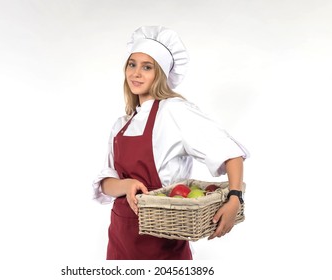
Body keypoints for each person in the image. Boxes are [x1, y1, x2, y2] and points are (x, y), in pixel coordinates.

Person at [92, 26, 249, 260]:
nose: (136, 73)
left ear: (160, 75)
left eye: (147, 67)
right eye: (132, 64)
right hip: (121, 239)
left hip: (164, 243)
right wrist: (126, 185)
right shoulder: (121, 124)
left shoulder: (174, 111)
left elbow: (229, 153)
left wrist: (235, 196)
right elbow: (106, 183)